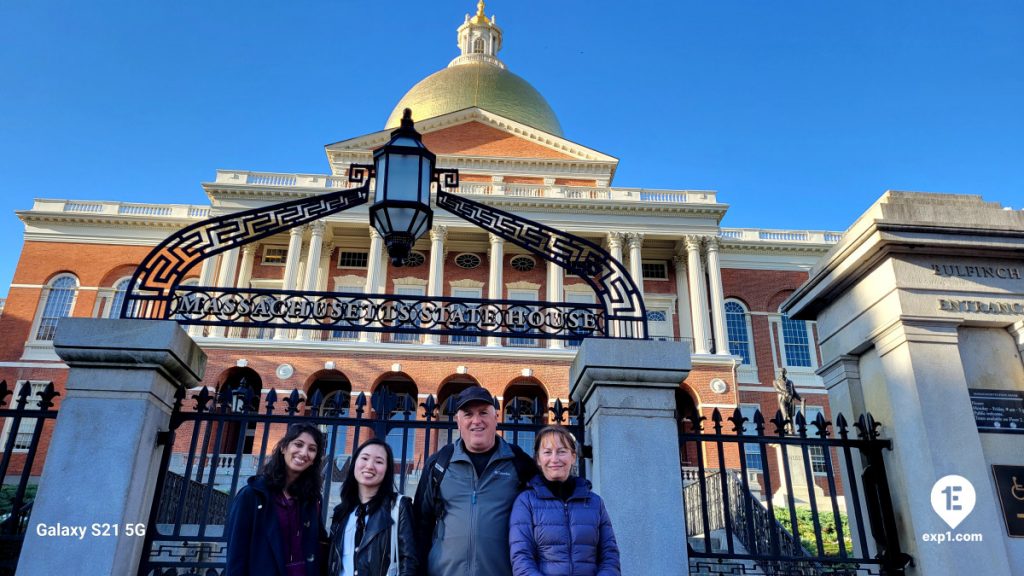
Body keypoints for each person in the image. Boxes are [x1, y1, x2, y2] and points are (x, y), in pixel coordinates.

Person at [413, 385, 537, 576]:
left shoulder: (519, 463)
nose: (476, 421)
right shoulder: (438, 464)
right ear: (458, 421)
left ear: (496, 417)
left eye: (483, 413)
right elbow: (420, 526)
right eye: (468, 414)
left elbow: (544, 516)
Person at [509, 426, 620, 576]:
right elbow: (522, 558)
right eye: (547, 452)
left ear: (573, 456)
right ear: (538, 459)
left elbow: (610, 555)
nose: (555, 459)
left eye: (562, 451)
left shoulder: (594, 503)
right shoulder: (526, 502)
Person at [225, 423, 327, 576]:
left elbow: (318, 544)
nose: (304, 452)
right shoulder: (252, 495)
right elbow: (236, 554)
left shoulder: (312, 498)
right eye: (298, 444)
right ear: (284, 447)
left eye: (312, 449)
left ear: (314, 459)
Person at [327, 438, 418, 576]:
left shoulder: (398, 507)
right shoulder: (342, 511)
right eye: (364, 458)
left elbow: (409, 562)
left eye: (379, 461)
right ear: (355, 463)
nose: (370, 466)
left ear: (387, 470)